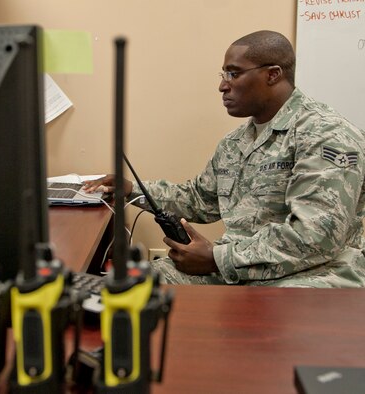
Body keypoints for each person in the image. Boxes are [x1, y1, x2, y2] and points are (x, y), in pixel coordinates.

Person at [83, 30, 365, 287]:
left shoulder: (325, 134)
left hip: (313, 274)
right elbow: (200, 199)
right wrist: (133, 191)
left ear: (273, 74)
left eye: (233, 74)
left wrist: (218, 258)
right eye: (223, 75)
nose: (222, 86)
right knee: (140, 285)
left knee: (269, 317)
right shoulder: (235, 142)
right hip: (240, 267)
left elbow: (317, 237)